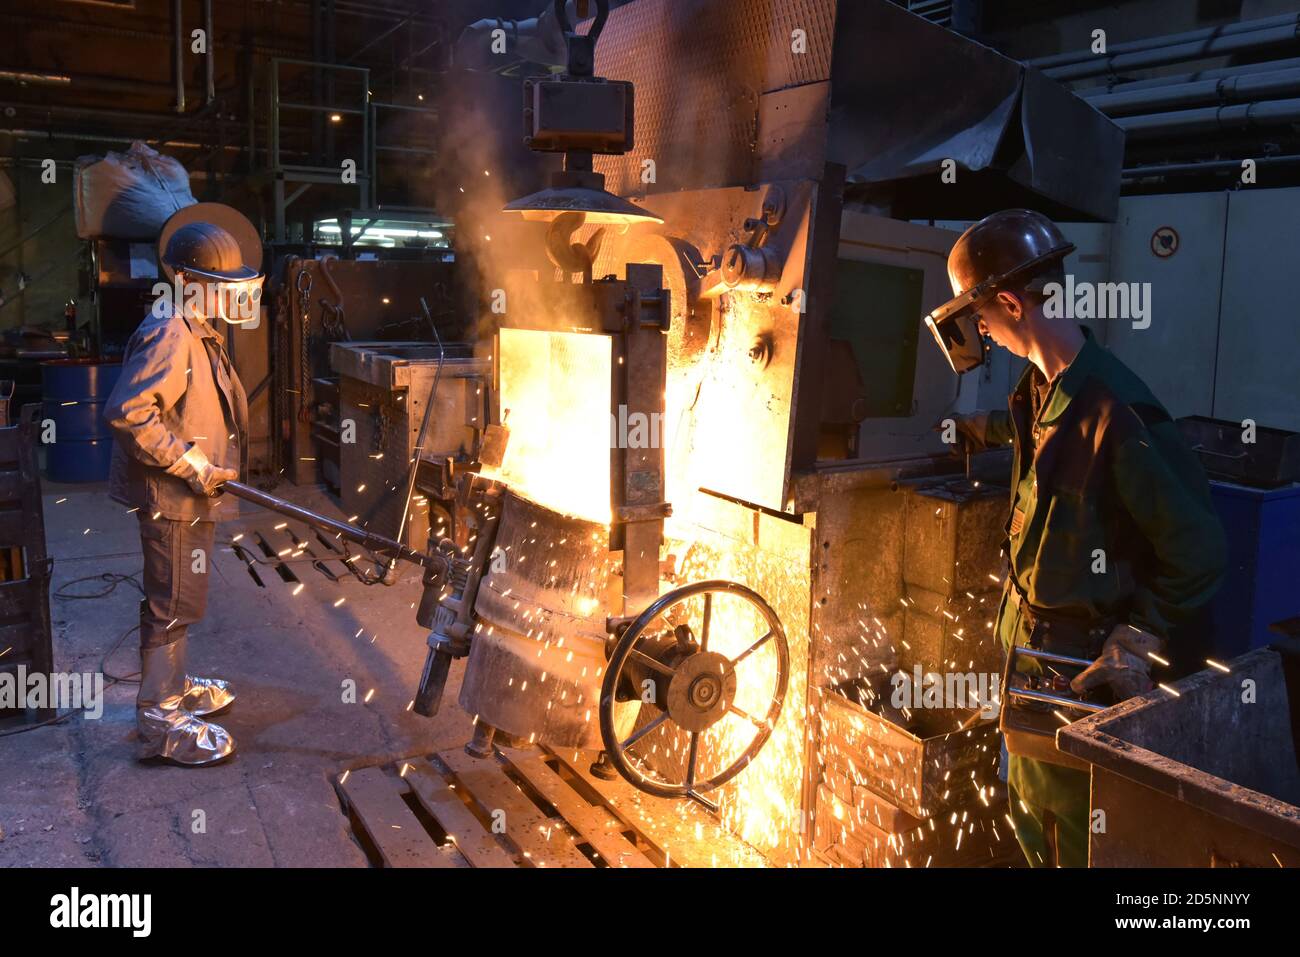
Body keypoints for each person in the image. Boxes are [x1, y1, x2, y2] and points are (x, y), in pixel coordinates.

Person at [924, 209, 1226, 867]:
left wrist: (1139, 634)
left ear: (1010, 303)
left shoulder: (1118, 411)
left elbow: (1199, 549)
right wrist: (982, 429)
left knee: (1066, 835)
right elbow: (1050, 444)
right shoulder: (1041, 390)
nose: (980, 330)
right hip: (1031, 660)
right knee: (1030, 816)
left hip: (1080, 677)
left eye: (981, 315)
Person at [104, 220, 260, 766]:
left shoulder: (196, 326)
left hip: (191, 497)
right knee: (171, 602)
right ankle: (160, 721)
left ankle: (172, 684)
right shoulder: (171, 331)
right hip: (171, 497)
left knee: (181, 598)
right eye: (218, 285)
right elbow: (129, 413)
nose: (228, 296)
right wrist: (191, 463)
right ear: (186, 281)